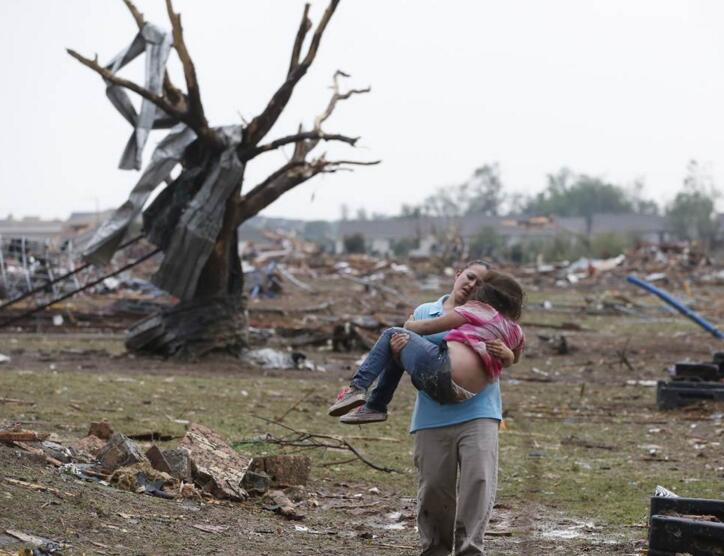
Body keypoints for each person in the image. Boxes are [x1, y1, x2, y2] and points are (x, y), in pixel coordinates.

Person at [339, 260, 512, 556]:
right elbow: (412, 361)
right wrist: (397, 353)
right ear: (458, 275)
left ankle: (471, 550)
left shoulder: (490, 316)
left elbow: (509, 354)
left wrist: (507, 354)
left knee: (478, 486)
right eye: (469, 277)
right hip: (432, 416)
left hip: (480, 412)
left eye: (480, 283)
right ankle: (435, 550)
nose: (472, 285)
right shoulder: (424, 312)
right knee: (433, 490)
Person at [327, 271, 524, 416]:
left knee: (393, 334)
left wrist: (409, 324)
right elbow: (514, 359)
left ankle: (358, 390)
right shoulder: (516, 330)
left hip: (444, 373)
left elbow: (428, 327)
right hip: (464, 394)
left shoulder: (476, 309)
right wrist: (507, 355)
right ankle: (374, 407)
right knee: (400, 343)